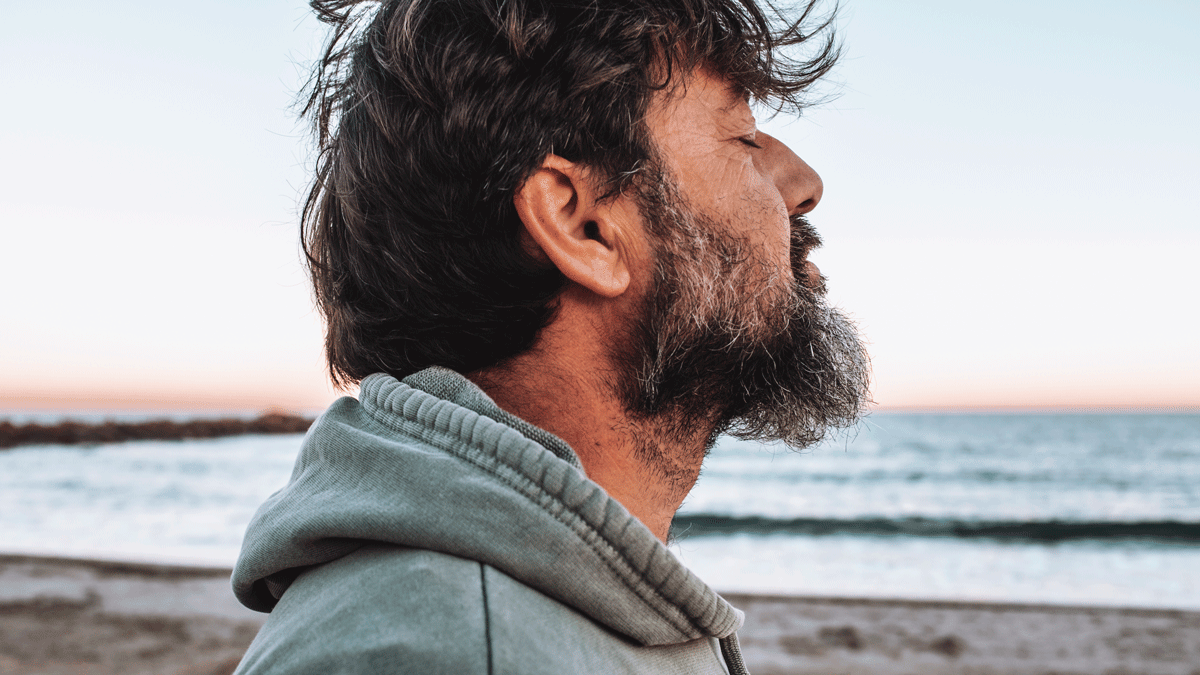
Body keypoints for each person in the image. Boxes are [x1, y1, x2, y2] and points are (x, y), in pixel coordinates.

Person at [231, 0, 869, 672]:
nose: (803, 184)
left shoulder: (543, 611)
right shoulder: (437, 654)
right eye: (742, 136)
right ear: (583, 226)